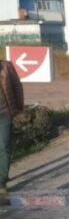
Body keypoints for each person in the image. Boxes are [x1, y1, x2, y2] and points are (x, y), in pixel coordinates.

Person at [0, 59, 23, 202]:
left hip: (4, 113)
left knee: (4, 145)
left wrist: (19, 108)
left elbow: (17, 86)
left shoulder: (6, 66)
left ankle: (1, 181)